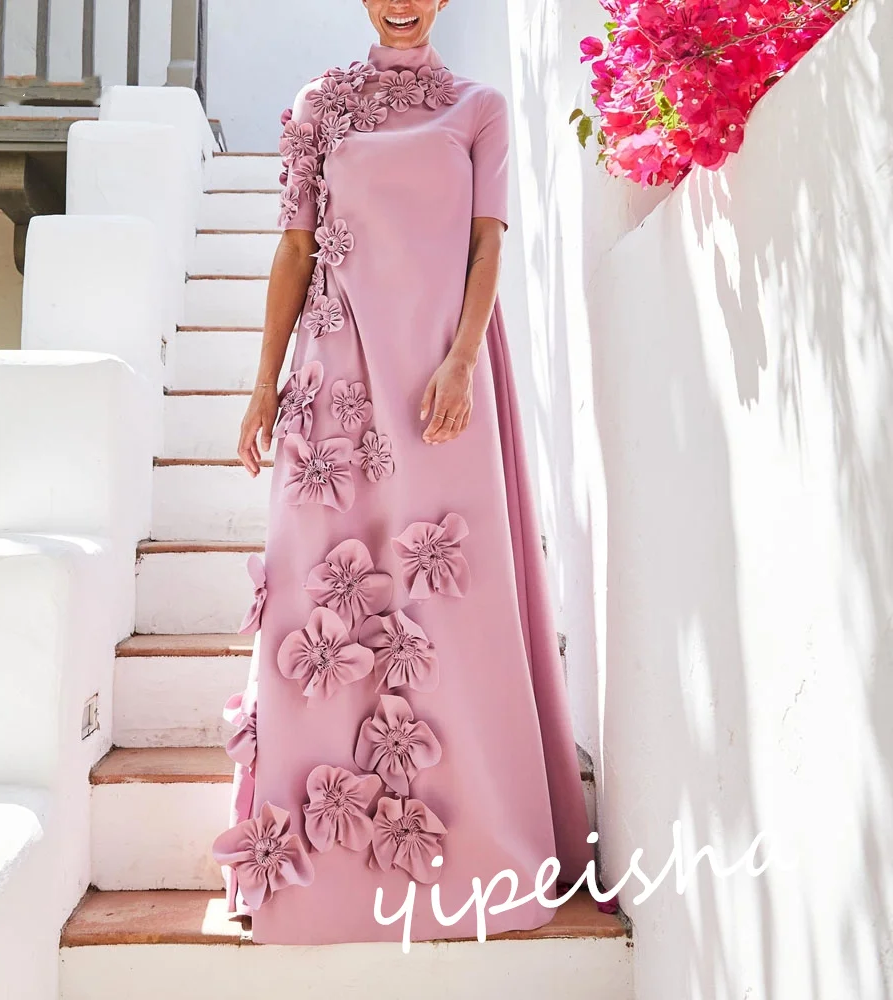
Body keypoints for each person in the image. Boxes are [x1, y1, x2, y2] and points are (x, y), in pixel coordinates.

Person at [212, 0, 596, 946]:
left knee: (446, 609)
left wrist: (463, 362)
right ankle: (322, 871)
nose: (401, 2)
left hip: (439, 387)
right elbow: (296, 248)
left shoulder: (480, 107)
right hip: (335, 384)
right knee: (324, 605)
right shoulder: (317, 105)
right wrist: (263, 385)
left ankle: (475, 849)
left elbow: (487, 244)